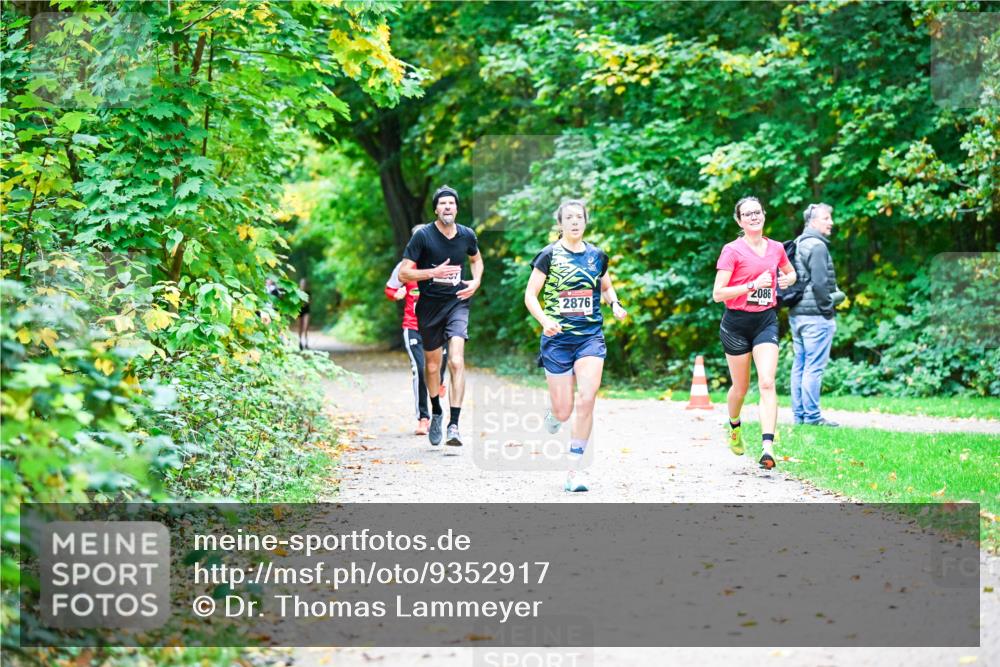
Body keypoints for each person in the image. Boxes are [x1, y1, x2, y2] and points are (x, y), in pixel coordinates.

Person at [524, 199, 627, 492]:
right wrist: (544, 320)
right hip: (557, 340)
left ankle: (575, 469)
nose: (574, 222)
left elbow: (605, 287)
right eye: (568, 218)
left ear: (585, 221)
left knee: (587, 398)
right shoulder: (549, 255)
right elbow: (531, 295)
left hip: (589, 337)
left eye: (578, 217)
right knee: (564, 410)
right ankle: (554, 414)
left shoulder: (597, 255)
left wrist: (616, 304)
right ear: (560, 223)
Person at [712, 196, 796, 470]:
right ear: (739, 220)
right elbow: (718, 293)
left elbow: (789, 272)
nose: (753, 217)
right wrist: (750, 286)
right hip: (736, 324)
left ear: (764, 215)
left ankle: (767, 448)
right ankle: (734, 425)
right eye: (747, 214)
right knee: (741, 387)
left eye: (757, 212)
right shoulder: (732, 250)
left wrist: (788, 278)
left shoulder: (776, 248)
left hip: (765, 321)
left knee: (768, 382)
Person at [398, 186, 483, 450]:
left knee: (456, 360)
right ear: (436, 209)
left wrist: (476, 281)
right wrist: (433, 273)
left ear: (457, 208)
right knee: (433, 367)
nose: (447, 207)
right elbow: (403, 274)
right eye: (442, 203)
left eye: (452, 203)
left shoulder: (467, 234)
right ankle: (436, 411)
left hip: (457, 303)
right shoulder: (423, 236)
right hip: (429, 307)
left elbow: (476, 260)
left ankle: (454, 424)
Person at [385, 229, 448, 436]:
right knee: (420, 369)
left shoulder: (442, 262)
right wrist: (397, 294)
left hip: (438, 325)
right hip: (413, 326)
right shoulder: (404, 267)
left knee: (436, 369)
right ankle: (423, 418)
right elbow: (390, 289)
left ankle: (439, 382)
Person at [789, 203, 846, 427]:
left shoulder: (798, 243)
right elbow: (821, 284)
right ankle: (812, 417)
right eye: (826, 218)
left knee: (800, 366)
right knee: (814, 367)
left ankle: (800, 416)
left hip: (797, 316)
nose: (831, 222)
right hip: (815, 317)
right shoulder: (818, 247)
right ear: (813, 221)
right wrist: (827, 310)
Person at [297, 278, 311, 350]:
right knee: (300, 327)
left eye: (304, 283)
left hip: (306, 311)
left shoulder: (308, 292)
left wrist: (305, 302)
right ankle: (300, 342)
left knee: (305, 327)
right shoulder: (297, 292)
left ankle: (306, 343)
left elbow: (310, 302)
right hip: (299, 311)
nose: (303, 285)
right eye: (302, 283)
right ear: (300, 284)